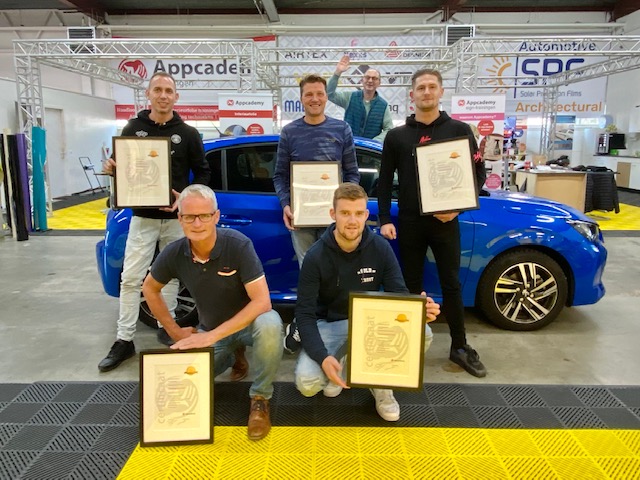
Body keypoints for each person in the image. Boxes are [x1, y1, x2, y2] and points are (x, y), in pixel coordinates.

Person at [284, 183, 440, 422]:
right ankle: (342, 361)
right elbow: (304, 314)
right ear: (333, 214)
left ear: (366, 215)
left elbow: (398, 294)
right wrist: (323, 357)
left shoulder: (380, 248)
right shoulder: (316, 256)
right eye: (345, 213)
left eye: (358, 213)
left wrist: (418, 311)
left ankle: (380, 385)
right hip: (330, 324)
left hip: (372, 325)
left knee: (424, 333)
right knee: (307, 384)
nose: (352, 220)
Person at [142, 184, 283, 441]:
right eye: (189, 217)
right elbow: (150, 288)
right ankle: (233, 356)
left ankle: (260, 398)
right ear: (180, 219)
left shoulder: (237, 245)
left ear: (216, 216)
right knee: (181, 382)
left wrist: (210, 337)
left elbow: (263, 302)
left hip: (248, 325)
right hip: (212, 330)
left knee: (270, 325)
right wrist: (174, 331)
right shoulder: (174, 253)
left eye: (204, 216)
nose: (197, 224)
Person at [377, 68, 488, 378]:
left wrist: (458, 208)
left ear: (440, 92)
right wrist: (384, 218)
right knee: (411, 286)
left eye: (431, 87)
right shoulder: (397, 136)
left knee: (451, 283)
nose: (426, 92)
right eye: (421, 88)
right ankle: (409, 345)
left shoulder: (460, 130)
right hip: (409, 222)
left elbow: (478, 174)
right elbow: (383, 182)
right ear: (411, 95)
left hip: (445, 222)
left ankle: (460, 347)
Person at [98, 72, 212, 372]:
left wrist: (185, 197)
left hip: (176, 219)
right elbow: (123, 168)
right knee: (131, 279)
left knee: (171, 278)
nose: (163, 95)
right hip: (142, 218)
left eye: (168, 91)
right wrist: (112, 169)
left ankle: (167, 327)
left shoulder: (188, 133)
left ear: (176, 97)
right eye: (158, 90)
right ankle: (124, 340)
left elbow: (203, 173)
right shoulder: (132, 128)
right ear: (148, 94)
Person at [273, 73, 360, 268]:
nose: (315, 99)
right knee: (308, 269)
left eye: (320, 93)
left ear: (326, 96)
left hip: (333, 216)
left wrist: (346, 205)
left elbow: (352, 173)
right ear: (301, 98)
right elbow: (280, 176)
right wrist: (286, 204)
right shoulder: (289, 132)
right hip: (300, 217)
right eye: (309, 94)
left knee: (335, 269)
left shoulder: (342, 129)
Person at [327, 55, 394, 142]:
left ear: (379, 83)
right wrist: (337, 73)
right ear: (362, 80)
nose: (370, 80)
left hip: (370, 149)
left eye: (374, 78)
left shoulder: (383, 105)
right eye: (367, 77)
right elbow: (329, 94)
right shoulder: (350, 97)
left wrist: (375, 141)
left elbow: (388, 129)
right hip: (348, 146)